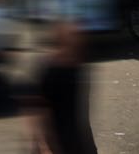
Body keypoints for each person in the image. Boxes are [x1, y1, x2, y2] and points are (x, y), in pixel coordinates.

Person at [25, 19, 97, 154]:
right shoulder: (48, 71)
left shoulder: (78, 69)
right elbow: (37, 113)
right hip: (57, 145)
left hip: (78, 144)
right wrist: (43, 145)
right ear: (61, 42)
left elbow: (79, 115)